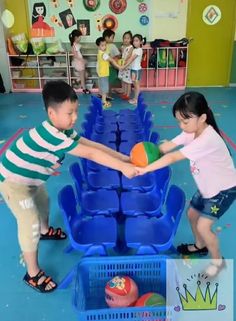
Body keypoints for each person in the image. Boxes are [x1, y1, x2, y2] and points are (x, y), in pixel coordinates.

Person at [0, 81, 136, 293]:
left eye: (76, 112)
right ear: (52, 113)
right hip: (14, 182)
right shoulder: (52, 135)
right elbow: (89, 154)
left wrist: (123, 158)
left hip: (31, 179)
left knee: (44, 202)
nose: (74, 118)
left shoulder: (63, 130)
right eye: (69, 113)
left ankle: (45, 232)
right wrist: (122, 168)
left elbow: (91, 145)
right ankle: (32, 273)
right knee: (29, 221)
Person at [135, 91, 236, 277]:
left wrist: (145, 170)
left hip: (223, 190)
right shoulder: (191, 131)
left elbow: (173, 156)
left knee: (204, 226)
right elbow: (167, 147)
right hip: (208, 186)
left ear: (203, 118)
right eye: (179, 121)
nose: (182, 126)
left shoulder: (208, 138)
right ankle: (200, 246)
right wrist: (142, 156)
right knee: (192, 214)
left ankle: (218, 262)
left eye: (185, 121)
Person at [95, 37, 121, 108]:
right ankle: (103, 102)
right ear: (98, 46)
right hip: (104, 74)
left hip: (101, 73)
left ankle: (104, 101)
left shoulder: (99, 53)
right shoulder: (103, 54)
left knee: (103, 88)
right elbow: (112, 60)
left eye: (105, 45)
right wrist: (119, 67)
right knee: (105, 89)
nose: (104, 47)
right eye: (102, 45)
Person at [121, 34, 146, 105]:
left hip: (136, 70)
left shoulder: (139, 50)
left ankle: (136, 100)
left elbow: (131, 59)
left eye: (137, 41)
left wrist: (124, 66)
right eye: (134, 41)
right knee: (134, 85)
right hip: (133, 69)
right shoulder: (135, 49)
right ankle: (135, 98)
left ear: (141, 42)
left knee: (136, 85)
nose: (135, 42)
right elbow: (129, 57)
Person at [69, 29, 90, 94]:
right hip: (78, 62)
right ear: (76, 37)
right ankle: (84, 89)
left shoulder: (77, 45)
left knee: (85, 75)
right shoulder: (74, 46)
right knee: (83, 76)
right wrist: (82, 60)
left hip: (80, 62)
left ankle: (77, 82)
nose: (80, 38)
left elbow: (82, 48)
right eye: (80, 37)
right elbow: (75, 56)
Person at [102, 29, 120, 100]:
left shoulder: (102, 45)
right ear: (107, 37)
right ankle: (107, 95)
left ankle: (103, 94)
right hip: (111, 67)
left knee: (104, 81)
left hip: (103, 67)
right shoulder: (112, 46)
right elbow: (118, 55)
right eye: (112, 37)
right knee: (110, 81)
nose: (113, 39)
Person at [118, 31, 133, 100]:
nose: (126, 40)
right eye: (125, 38)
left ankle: (128, 94)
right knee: (123, 80)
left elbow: (128, 56)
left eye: (128, 38)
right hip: (122, 66)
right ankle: (124, 92)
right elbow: (121, 55)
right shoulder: (122, 46)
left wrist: (124, 61)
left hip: (127, 66)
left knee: (128, 81)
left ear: (131, 39)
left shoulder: (131, 47)